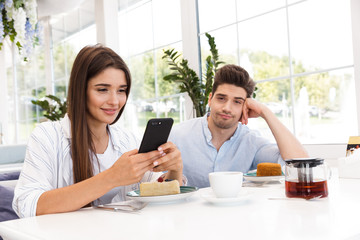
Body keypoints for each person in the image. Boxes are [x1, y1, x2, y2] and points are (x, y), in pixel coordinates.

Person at [13, 44, 184, 218]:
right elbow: (28, 205)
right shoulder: (48, 136)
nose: (114, 101)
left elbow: (159, 194)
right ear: (81, 90)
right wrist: (111, 177)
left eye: (121, 91)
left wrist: (175, 170)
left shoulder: (127, 140)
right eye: (102, 90)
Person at [169, 64, 308, 188]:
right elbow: (157, 182)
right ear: (210, 99)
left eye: (237, 102)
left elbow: (299, 164)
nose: (227, 108)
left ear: (245, 107)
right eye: (221, 98)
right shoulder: (177, 135)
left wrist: (265, 112)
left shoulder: (251, 141)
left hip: (237, 216)